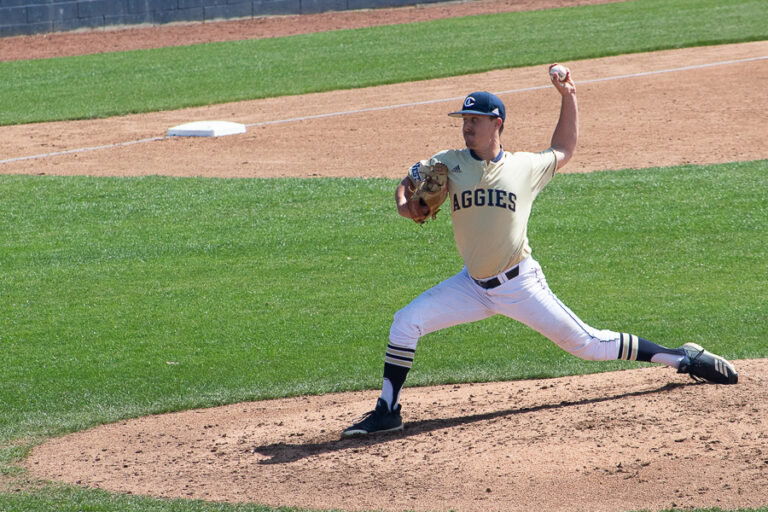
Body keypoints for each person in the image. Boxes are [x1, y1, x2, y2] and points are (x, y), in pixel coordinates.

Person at [342, 64, 738, 437]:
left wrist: (568, 95)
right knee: (405, 321)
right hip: (471, 286)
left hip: (520, 284)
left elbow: (564, 149)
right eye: (463, 121)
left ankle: (682, 358)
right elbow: (406, 181)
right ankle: (387, 411)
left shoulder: (525, 167)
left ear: (496, 123)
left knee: (589, 345)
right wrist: (403, 205)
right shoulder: (448, 163)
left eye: (474, 121)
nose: (467, 128)